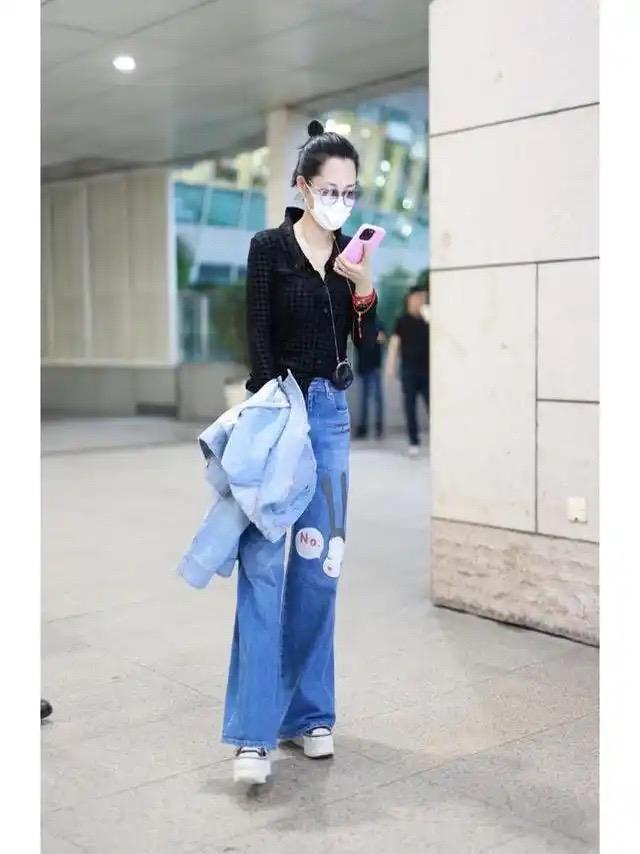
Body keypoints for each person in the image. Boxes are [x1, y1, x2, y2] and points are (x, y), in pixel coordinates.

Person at [226, 120, 378, 784]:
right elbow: (258, 334)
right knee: (263, 570)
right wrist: (272, 414)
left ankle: (309, 714)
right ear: (302, 186)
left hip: (330, 419)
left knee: (320, 571)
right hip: (277, 413)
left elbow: (365, 347)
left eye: (349, 191)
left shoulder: (349, 257)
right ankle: (253, 734)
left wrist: (363, 287)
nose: (339, 201)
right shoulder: (269, 249)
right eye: (329, 189)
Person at [385, 284, 430, 455]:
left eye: (423, 298)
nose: (421, 301)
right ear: (410, 299)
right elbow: (394, 344)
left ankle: (438, 438)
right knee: (410, 407)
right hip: (409, 371)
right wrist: (390, 366)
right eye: (418, 297)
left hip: (427, 371)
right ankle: (414, 442)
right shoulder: (402, 321)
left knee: (432, 405)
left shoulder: (427, 320)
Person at [354, 317, 387, 439]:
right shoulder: (358, 324)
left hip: (374, 366)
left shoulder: (378, 323)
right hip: (363, 366)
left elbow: (383, 339)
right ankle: (363, 427)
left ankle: (378, 426)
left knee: (377, 398)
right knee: (364, 399)